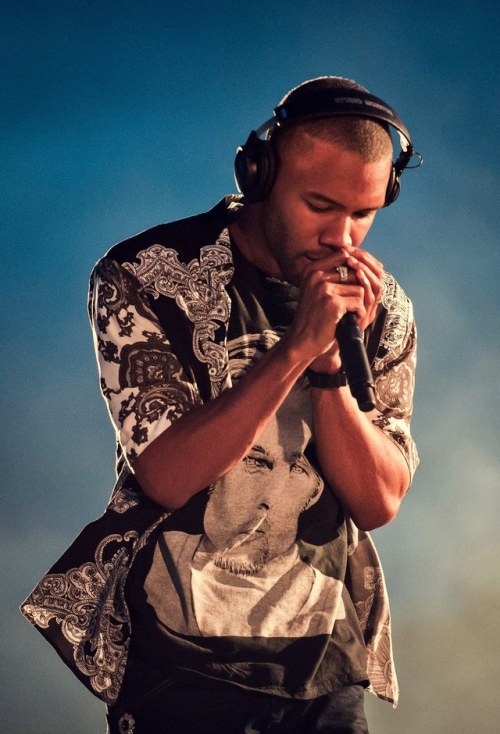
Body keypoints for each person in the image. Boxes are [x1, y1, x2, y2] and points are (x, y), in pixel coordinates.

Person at [21, 76, 420, 733]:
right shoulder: (146, 275)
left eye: (364, 213)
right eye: (320, 204)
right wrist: (294, 347)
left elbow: (378, 501)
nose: (343, 238)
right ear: (261, 174)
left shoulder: (384, 306)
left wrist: (327, 372)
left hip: (327, 672)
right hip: (181, 673)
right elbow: (168, 475)